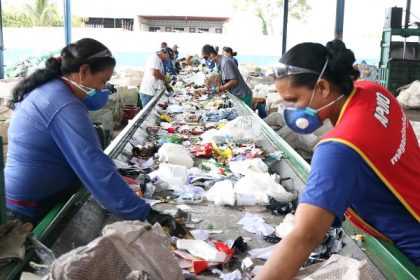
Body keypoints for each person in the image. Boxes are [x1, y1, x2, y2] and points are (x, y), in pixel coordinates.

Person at [255, 39, 420, 279]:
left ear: (323, 87)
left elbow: (305, 237)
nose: (289, 111)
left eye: (293, 100)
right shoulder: (375, 92)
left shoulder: (339, 149)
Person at [4, 38, 176, 231]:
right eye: (103, 81)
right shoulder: (63, 103)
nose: (104, 89)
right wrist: (146, 213)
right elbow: (93, 164)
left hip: (28, 197)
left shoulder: (51, 89)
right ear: (84, 71)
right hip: (28, 208)